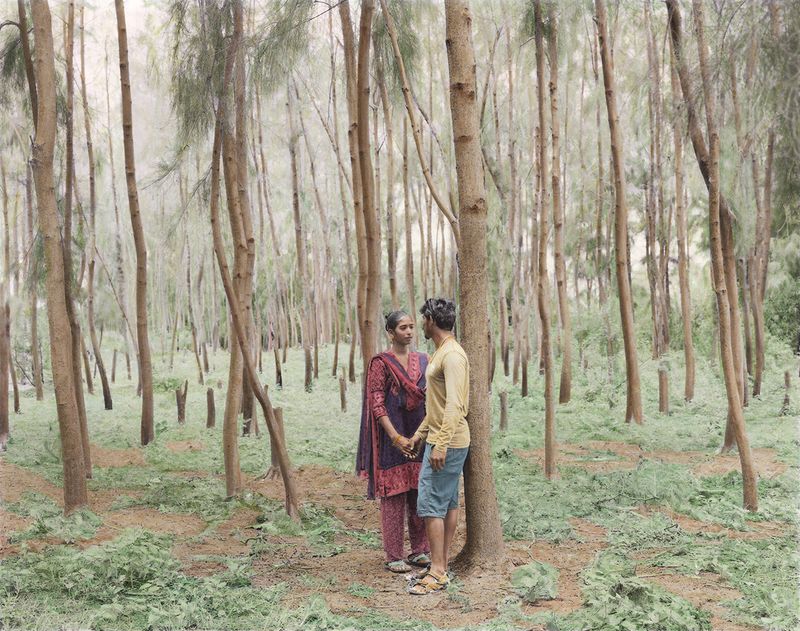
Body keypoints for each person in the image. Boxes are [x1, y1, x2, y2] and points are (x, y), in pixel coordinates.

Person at [356, 310, 431, 573]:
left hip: (419, 434)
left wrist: (418, 436)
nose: (409, 332)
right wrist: (395, 437)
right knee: (394, 495)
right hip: (392, 437)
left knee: (419, 491)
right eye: (402, 328)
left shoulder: (424, 360)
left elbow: (431, 398)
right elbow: (377, 403)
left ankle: (420, 550)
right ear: (390, 332)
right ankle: (394, 554)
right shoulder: (381, 363)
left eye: (411, 327)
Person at [405, 298, 470, 595]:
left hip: (449, 440)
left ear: (431, 320)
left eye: (422, 319)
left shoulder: (453, 356)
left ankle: (438, 571)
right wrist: (420, 434)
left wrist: (440, 445)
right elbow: (437, 406)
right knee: (447, 503)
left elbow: (455, 405)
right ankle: (439, 566)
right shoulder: (441, 352)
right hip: (440, 436)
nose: (420, 324)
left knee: (432, 504)